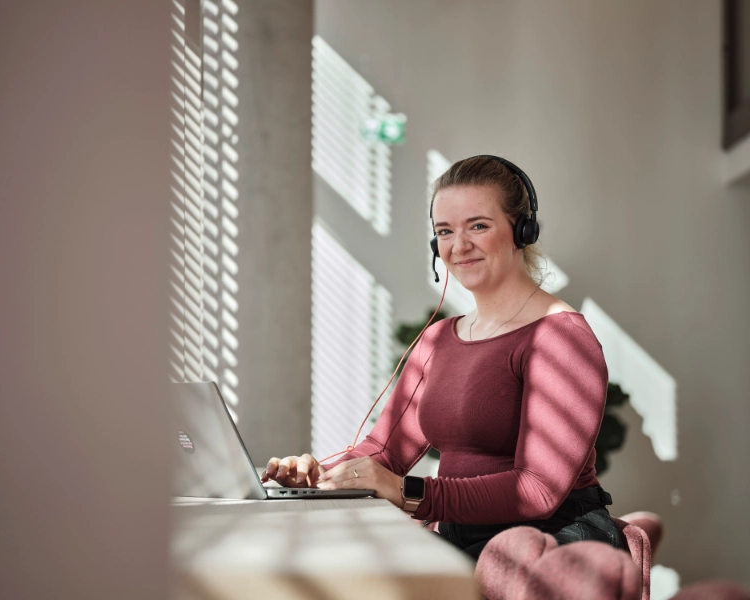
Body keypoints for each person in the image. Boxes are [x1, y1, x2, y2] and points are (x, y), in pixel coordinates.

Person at [262, 155, 625, 560]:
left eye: (479, 226)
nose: (460, 245)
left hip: (549, 544)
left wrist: (408, 492)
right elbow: (386, 453)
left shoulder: (561, 338)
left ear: (522, 231)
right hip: (463, 537)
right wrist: (321, 478)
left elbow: (537, 489)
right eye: (445, 231)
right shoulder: (438, 338)